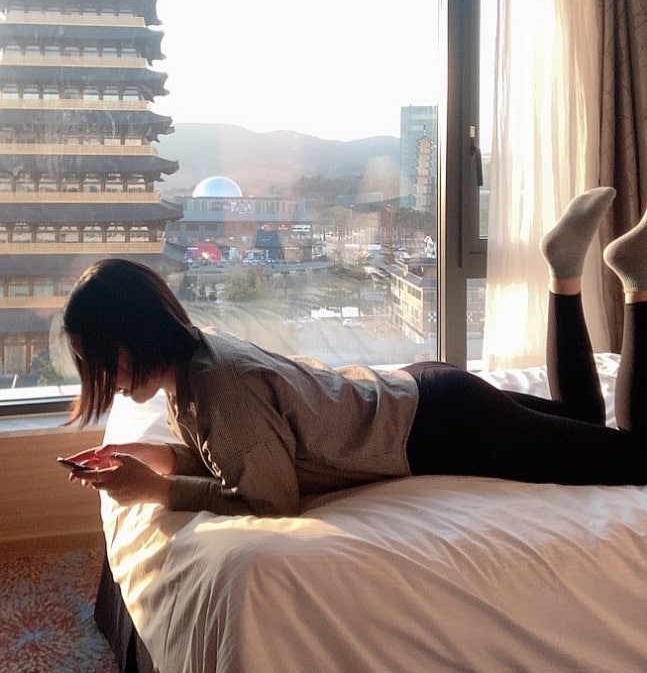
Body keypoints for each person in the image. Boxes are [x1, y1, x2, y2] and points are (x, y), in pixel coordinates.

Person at [61, 187, 647, 517]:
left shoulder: (216, 390)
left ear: (133, 338)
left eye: (103, 363)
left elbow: (269, 498)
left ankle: (637, 282)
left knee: (638, 456)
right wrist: (161, 458)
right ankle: (565, 270)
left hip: (441, 429)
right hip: (427, 397)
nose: (107, 382)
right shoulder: (199, 361)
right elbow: (243, 455)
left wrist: (157, 489)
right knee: (582, 420)